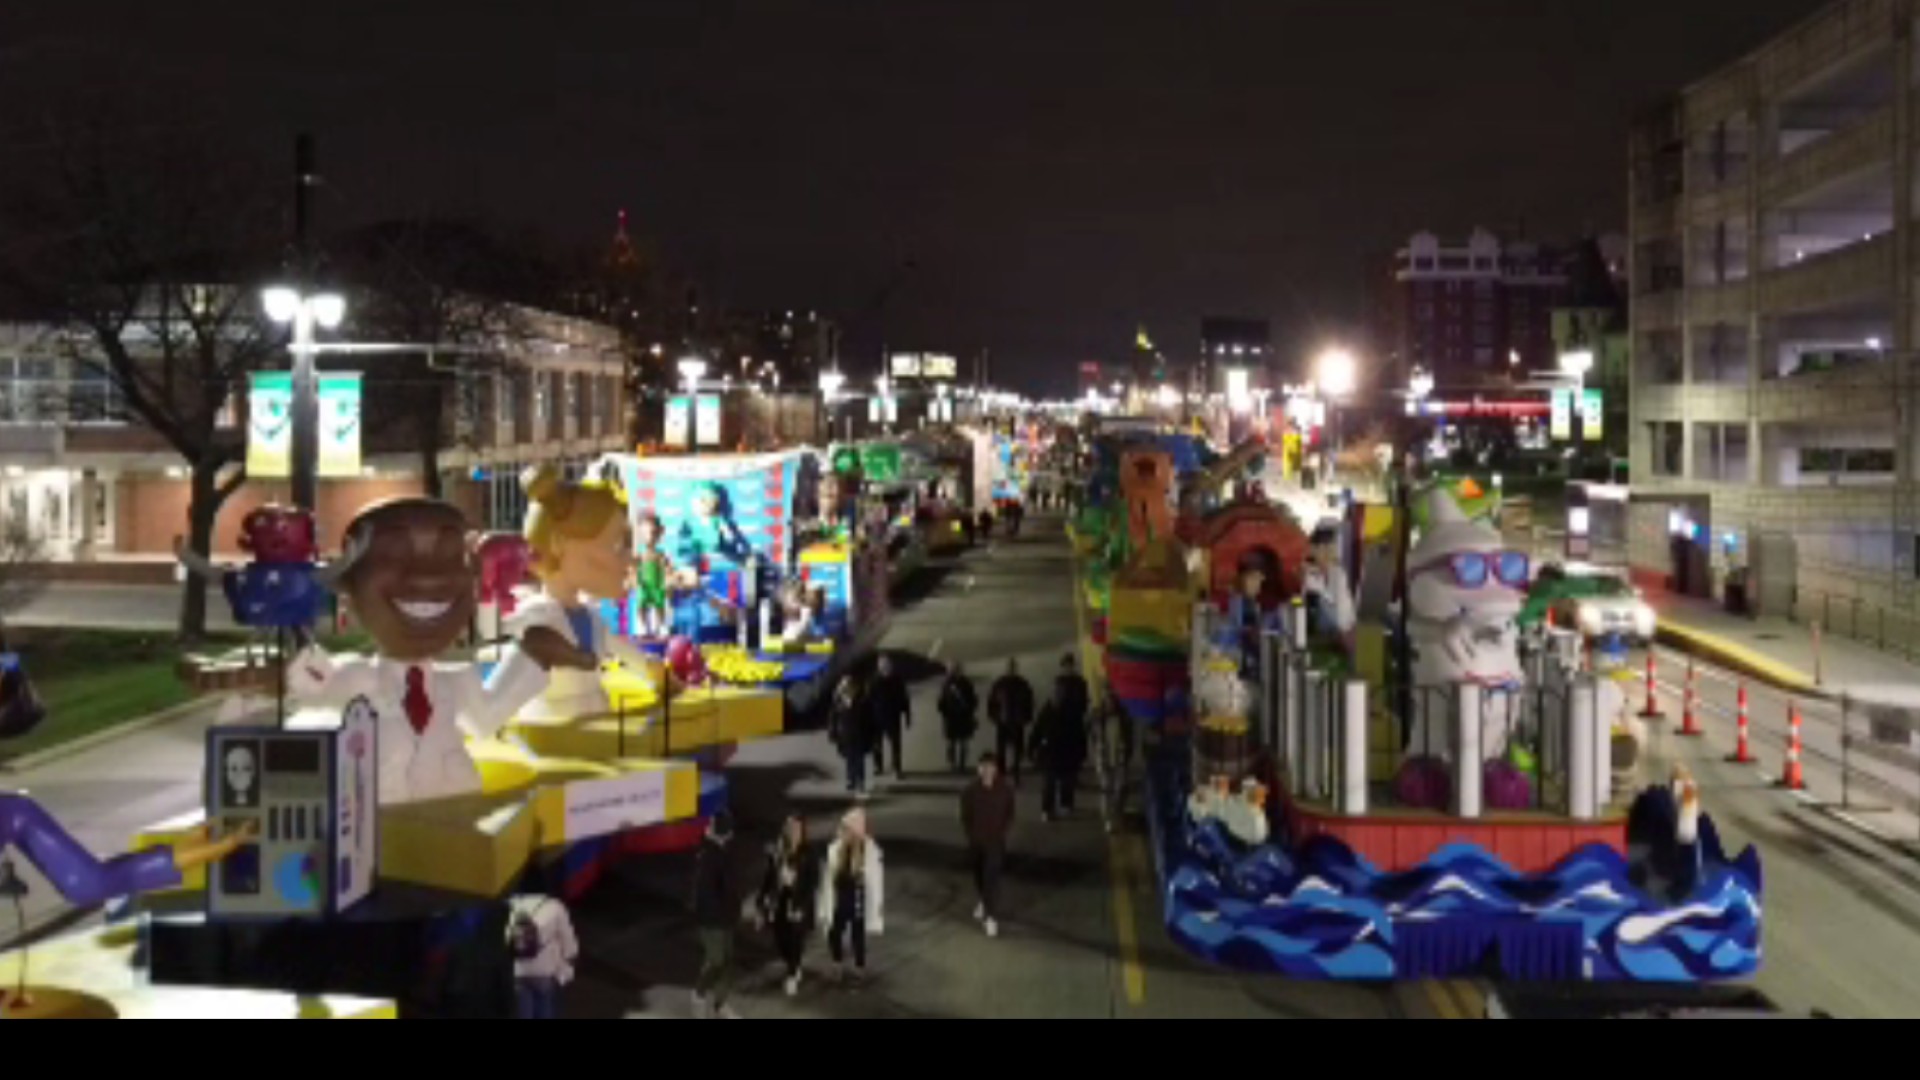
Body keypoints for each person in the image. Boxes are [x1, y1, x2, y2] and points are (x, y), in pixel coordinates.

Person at [287, 498, 572, 806]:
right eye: (393, 553)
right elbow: (310, 698)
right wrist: (294, 680)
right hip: (381, 827)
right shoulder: (357, 681)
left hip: (452, 819)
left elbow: (486, 717)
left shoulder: (455, 683)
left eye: (449, 553)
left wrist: (532, 657)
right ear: (350, 595)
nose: (427, 576)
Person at [508, 465, 659, 721]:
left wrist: (666, 677)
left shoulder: (591, 617)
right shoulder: (535, 619)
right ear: (559, 544)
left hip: (597, 732)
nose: (629, 558)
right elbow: (501, 690)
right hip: (549, 737)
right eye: (616, 544)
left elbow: (635, 659)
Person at [818, 809, 885, 984]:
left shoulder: (867, 851)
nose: (843, 832)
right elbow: (829, 876)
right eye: (843, 828)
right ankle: (837, 964)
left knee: (858, 934)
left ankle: (859, 968)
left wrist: (874, 901)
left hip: (857, 900)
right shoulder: (836, 849)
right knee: (834, 932)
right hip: (840, 899)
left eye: (847, 829)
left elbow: (874, 878)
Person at [755, 814, 819, 998]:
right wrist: (761, 901)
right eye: (789, 828)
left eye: (796, 829)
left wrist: (800, 905)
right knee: (780, 938)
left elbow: (812, 883)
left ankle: (793, 973)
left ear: (802, 831)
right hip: (781, 900)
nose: (792, 832)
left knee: (795, 939)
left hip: (798, 902)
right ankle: (792, 962)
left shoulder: (809, 853)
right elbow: (768, 878)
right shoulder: (779, 851)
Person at [690, 811, 742, 1019]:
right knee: (716, 960)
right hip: (712, 920)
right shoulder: (708, 855)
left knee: (728, 961)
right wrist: (717, 916)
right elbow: (705, 893)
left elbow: (731, 885)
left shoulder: (723, 850)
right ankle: (698, 995)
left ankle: (720, 1005)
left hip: (726, 917)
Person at [960, 753, 1016, 939]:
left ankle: (990, 917)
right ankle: (984, 900)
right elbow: (965, 816)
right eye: (983, 767)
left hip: (995, 842)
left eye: (990, 767)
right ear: (979, 769)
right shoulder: (970, 791)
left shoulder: (1005, 790)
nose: (987, 771)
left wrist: (1002, 831)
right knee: (979, 876)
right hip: (976, 842)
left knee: (991, 878)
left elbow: (1010, 812)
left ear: (995, 770)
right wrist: (971, 835)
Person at [1032, 656, 1091, 822]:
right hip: (1054, 753)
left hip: (1063, 752)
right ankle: (1050, 808)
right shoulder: (1050, 710)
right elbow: (1038, 729)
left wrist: (1081, 751)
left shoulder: (1067, 711)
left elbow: (1078, 732)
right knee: (1051, 783)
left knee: (1064, 781)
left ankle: (1063, 805)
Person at [507, 893, 579, 1020]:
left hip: (519, 972)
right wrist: (566, 969)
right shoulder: (555, 907)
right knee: (544, 1011)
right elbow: (569, 944)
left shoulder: (514, 905)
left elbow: (507, 940)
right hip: (544, 971)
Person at [986, 659, 1036, 786]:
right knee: (1001, 750)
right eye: (1009, 667)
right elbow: (992, 701)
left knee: (1017, 750)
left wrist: (1026, 717)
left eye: (1012, 667)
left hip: (1016, 721)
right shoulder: (1000, 683)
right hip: (1003, 721)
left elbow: (1029, 701)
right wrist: (994, 716)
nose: (1011, 670)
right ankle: (1002, 774)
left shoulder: (1021, 684)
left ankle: (1015, 774)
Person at [829, 671, 876, 796]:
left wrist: (872, 736)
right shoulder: (839, 703)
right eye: (844, 687)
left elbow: (870, 720)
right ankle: (851, 779)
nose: (847, 689)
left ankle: (860, 781)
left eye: (849, 687)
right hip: (846, 735)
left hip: (860, 734)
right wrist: (833, 733)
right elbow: (833, 719)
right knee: (850, 759)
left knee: (859, 759)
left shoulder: (863, 701)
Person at [869, 654, 912, 781]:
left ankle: (897, 768)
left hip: (893, 717)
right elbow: (869, 700)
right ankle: (878, 766)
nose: (886, 669)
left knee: (895, 744)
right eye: (884, 667)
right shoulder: (874, 681)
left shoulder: (897, 680)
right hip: (877, 717)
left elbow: (904, 699)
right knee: (877, 744)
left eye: (888, 667)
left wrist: (907, 715)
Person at [938, 663, 980, 774]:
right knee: (954, 742)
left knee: (961, 742)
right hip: (954, 717)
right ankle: (954, 764)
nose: (953, 671)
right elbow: (942, 701)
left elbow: (973, 699)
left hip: (960, 717)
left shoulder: (956, 684)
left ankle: (960, 764)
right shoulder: (949, 684)